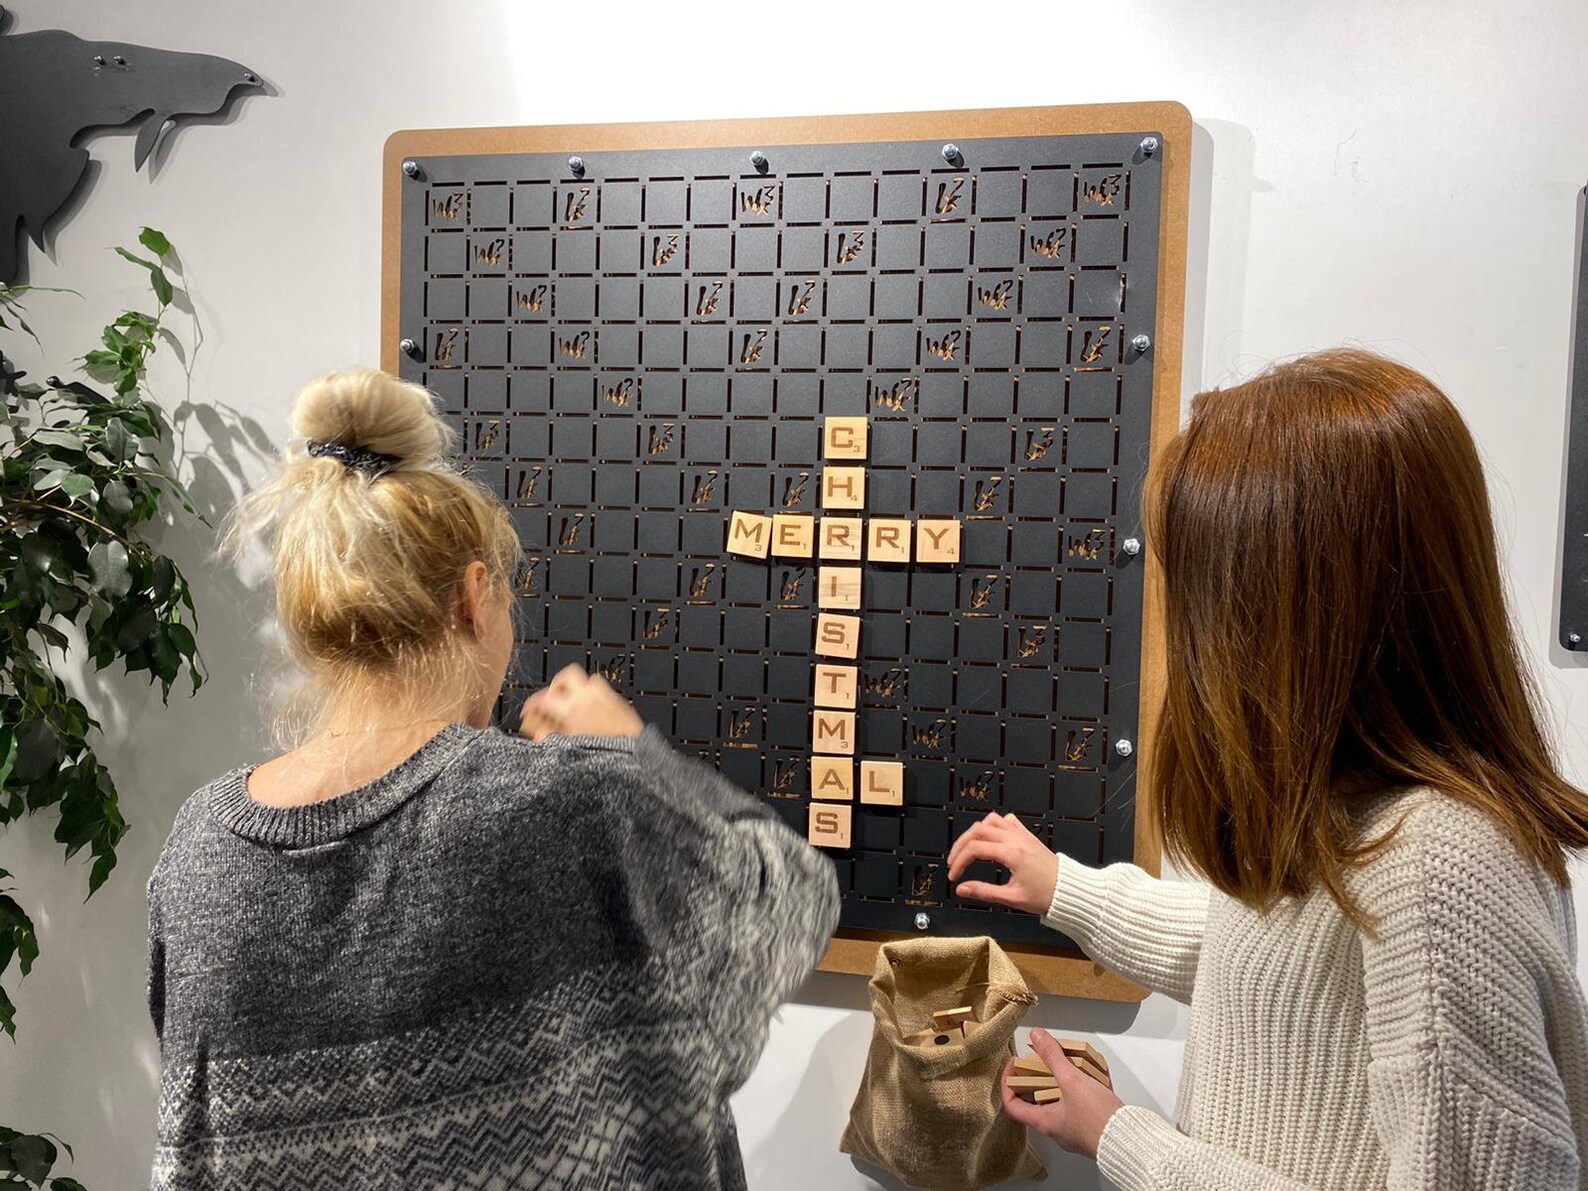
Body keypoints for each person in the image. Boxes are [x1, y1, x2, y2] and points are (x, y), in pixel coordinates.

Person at [146, 367, 839, 1189]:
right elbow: (794, 903)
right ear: (474, 599)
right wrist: (635, 751)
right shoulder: (572, 804)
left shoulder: (198, 851)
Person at [950, 348, 1588, 1189]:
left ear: (1291, 621)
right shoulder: (1369, 814)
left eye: (1202, 595)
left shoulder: (1443, 870)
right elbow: (1279, 968)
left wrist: (1124, 1138)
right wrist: (1067, 888)